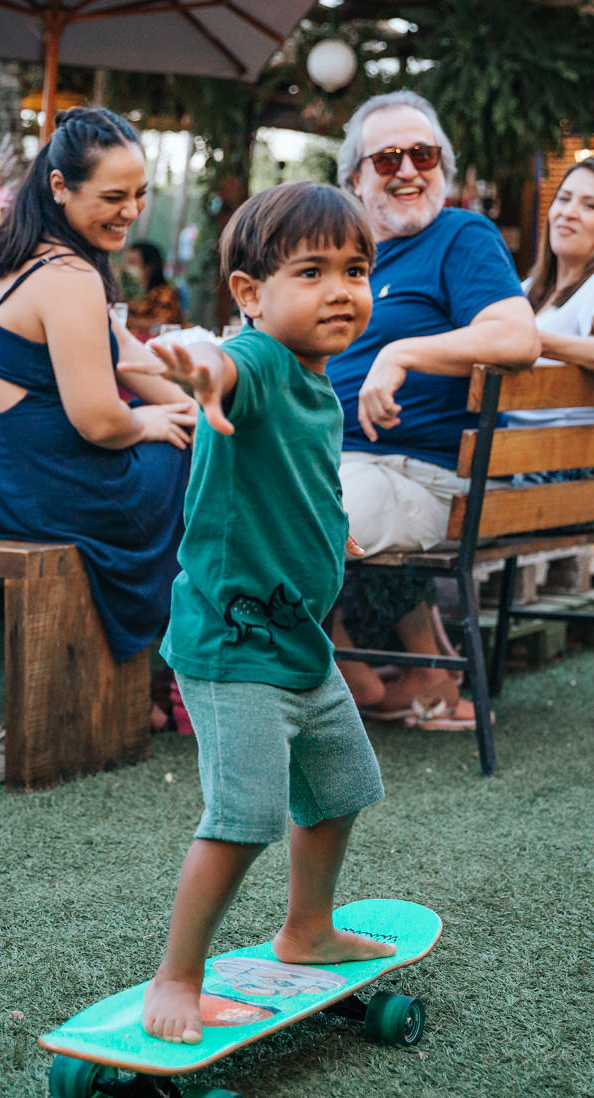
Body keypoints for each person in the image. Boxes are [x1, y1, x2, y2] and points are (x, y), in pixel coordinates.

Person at [122, 181, 394, 1046]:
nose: (340, 289)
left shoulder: (319, 382)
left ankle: (306, 930)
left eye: (355, 270)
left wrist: (330, 539)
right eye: (311, 271)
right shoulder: (264, 362)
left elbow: (301, 486)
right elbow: (221, 365)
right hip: (234, 645)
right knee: (240, 821)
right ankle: (178, 974)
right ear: (250, 294)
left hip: (298, 641)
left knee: (341, 784)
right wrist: (199, 367)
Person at [0, 108, 196, 666]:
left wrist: (201, 415)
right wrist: (155, 424)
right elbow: (101, 422)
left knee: (193, 438)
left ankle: (156, 661)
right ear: (60, 186)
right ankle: (165, 658)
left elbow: (129, 358)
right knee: (187, 466)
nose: (131, 212)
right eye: (112, 197)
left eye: (140, 193)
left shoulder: (8, 256)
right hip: (37, 496)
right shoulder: (69, 277)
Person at [326, 90, 540, 728]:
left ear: (443, 166)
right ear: (355, 180)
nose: (408, 170)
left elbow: (518, 336)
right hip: (354, 463)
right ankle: (389, 672)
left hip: (423, 475)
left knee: (295, 511)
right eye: (387, 159)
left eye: (422, 154)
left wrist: (402, 352)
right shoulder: (351, 257)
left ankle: (332, 675)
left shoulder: (460, 235)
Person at [506, 156, 594, 457]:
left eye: (590, 205)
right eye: (563, 199)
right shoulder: (529, 289)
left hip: (563, 470)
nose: (568, 213)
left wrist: (530, 341)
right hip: (513, 459)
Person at [123, 240, 183, 334]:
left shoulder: (165, 294)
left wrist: (128, 320)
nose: (127, 268)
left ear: (149, 266)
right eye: (127, 262)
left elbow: (163, 323)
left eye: (133, 262)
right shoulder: (128, 292)